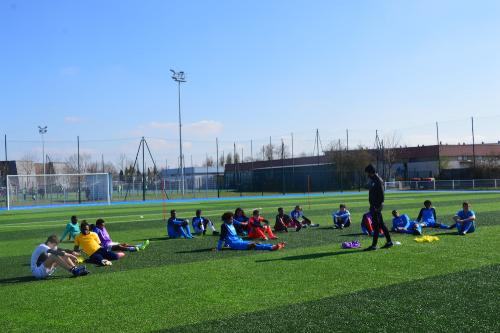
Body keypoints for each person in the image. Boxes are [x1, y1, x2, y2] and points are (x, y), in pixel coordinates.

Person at [217, 212, 286, 251]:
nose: (232, 220)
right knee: (253, 245)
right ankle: (271, 248)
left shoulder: (230, 223)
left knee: (255, 242)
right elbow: (222, 237)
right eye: (231, 219)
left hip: (239, 240)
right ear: (226, 220)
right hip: (235, 244)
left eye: (232, 219)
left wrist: (226, 244)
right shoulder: (224, 226)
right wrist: (218, 248)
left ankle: (274, 245)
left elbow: (235, 224)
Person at [363, 164, 393, 251]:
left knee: (376, 226)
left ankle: (374, 245)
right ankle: (389, 242)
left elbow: (382, 194)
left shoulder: (377, 180)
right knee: (381, 225)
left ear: (370, 172)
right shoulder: (373, 179)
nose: (367, 174)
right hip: (374, 205)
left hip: (376, 206)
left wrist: (380, 205)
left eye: (367, 173)